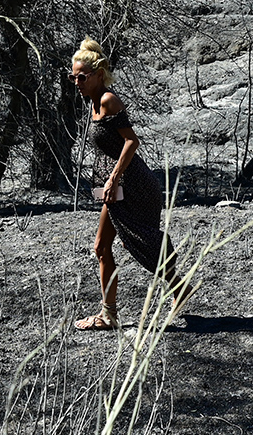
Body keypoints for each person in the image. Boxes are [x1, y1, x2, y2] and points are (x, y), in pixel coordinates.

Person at [69, 38, 191, 331]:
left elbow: (131, 141)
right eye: (73, 77)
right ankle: (116, 311)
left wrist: (112, 178)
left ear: (98, 74)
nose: (76, 82)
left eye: (81, 77)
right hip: (117, 185)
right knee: (104, 246)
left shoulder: (108, 100)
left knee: (132, 240)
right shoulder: (93, 102)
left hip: (132, 184)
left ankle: (173, 289)